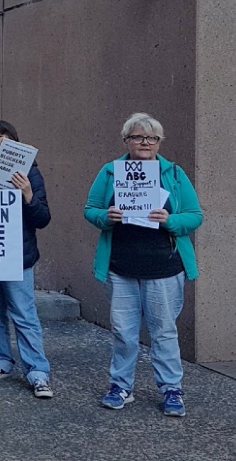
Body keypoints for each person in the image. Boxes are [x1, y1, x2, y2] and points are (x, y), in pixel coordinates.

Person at [84, 113, 202, 417]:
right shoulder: (111, 172)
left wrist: (171, 220)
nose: (145, 142)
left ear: (160, 143)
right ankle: (121, 386)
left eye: (151, 138)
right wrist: (105, 216)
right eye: (137, 137)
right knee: (123, 331)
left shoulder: (174, 174)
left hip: (164, 267)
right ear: (126, 141)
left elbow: (195, 216)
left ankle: (171, 390)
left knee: (163, 331)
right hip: (122, 267)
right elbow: (90, 209)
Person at [0, 120, 54, 398]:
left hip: (17, 258)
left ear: (13, 141)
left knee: (24, 315)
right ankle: (1, 361)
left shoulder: (30, 173)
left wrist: (27, 194)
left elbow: (43, 218)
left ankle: (38, 372)